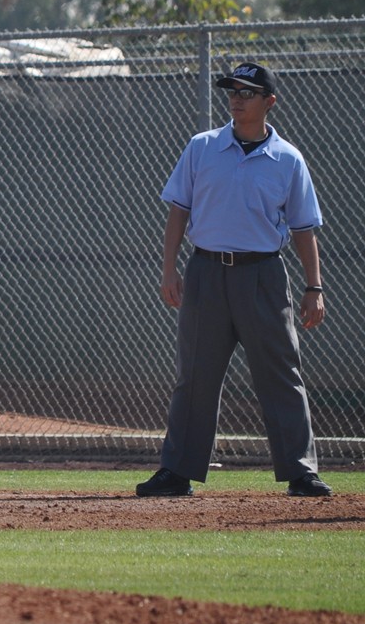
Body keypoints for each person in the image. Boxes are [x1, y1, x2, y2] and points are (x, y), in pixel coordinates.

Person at [138, 61, 332, 499]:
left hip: (264, 274)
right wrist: (169, 269)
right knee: (194, 375)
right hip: (206, 272)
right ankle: (177, 471)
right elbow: (178, 211)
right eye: (232, 91)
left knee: (281, 373)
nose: (237, 99)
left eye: (247, 92)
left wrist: (314, 286)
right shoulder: (202, 147)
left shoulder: (288, 158)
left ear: (270, 102)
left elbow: (304, 228)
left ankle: (301, 472)